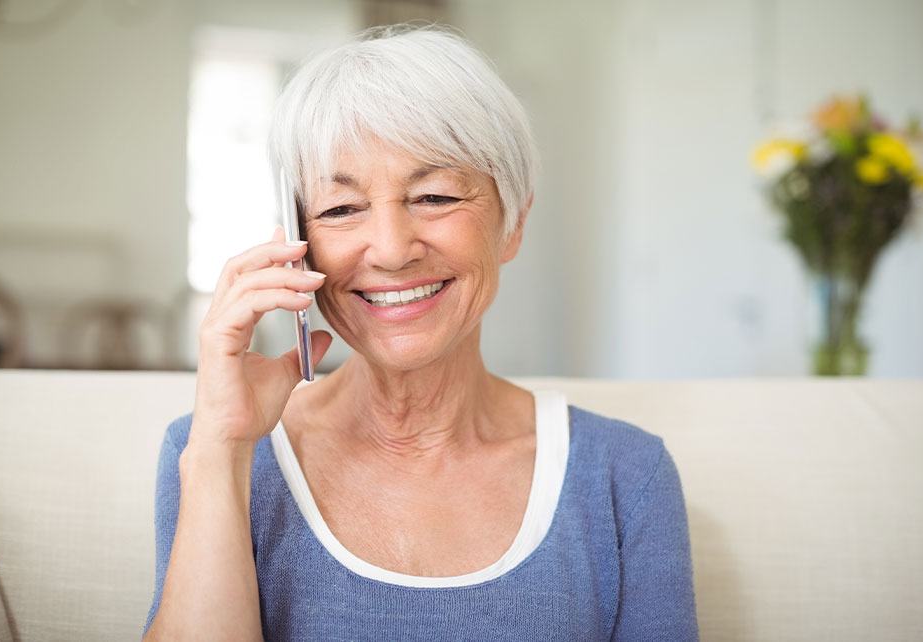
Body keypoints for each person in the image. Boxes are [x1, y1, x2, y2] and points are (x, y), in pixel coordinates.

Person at [143, 25, 698, 641]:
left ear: (511, 224)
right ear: (299, 246)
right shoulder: (213, 453)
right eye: (341, 209)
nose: (391, 249)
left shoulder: (627, 474)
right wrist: (220, 449)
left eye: (434, 196)